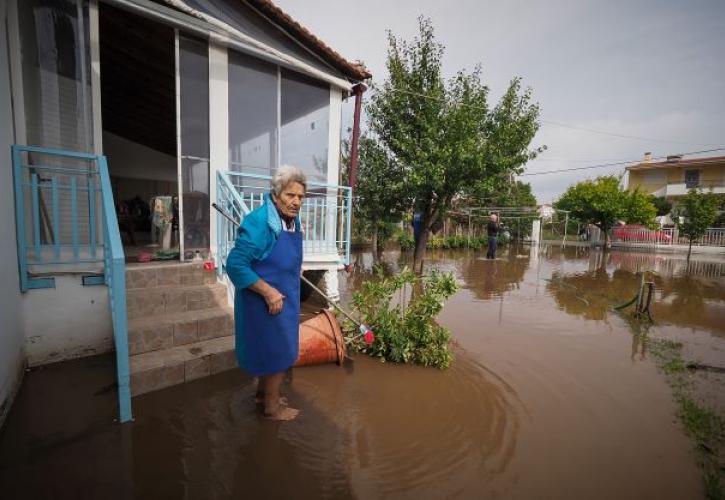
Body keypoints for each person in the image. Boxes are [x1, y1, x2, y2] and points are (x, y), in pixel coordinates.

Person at [226, 166, 306, 421]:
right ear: (275, 195)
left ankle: (262, 395)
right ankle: (272, 407)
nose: (295, 202)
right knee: (277, 353)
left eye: (300, 197)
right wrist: (269, 292)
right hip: (266, 302)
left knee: (273, 351)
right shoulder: (260, 222)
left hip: (286, 298)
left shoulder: (290, 220)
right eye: (290, 195)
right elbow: (236, 264)